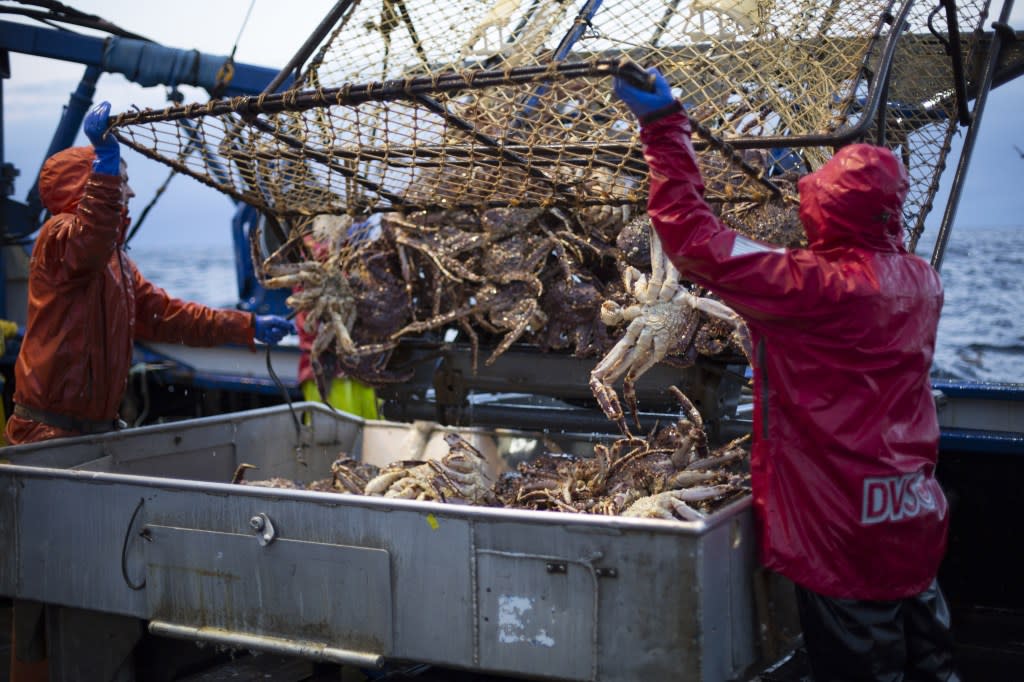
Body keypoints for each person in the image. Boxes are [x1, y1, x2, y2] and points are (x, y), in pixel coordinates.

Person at [613, 70, 958, 680]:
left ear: (822, 208)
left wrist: (664, 128)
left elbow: (694, 239)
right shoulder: (921, 281)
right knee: (930, 661)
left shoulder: (811, 284)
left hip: (841, 526)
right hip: (910, 511)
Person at [5, 101, 293, 679]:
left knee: (90, 575)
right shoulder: (59, 243)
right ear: (83, 193)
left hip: (88, 437)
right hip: (45, 439)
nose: (128, 199)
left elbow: (169, 316)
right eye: (115, 187)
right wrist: (107, 162)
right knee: (46, 585)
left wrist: (245, 328)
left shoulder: (117, 265)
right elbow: (91, 231)